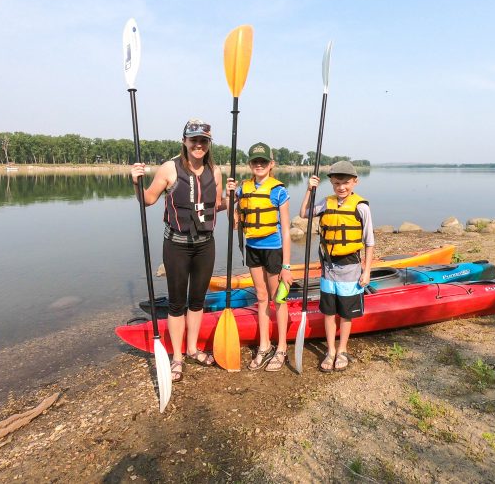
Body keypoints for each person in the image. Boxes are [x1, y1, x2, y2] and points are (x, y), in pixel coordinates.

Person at [131, 119, 228, 382]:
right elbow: (148, 200)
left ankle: (193, 349)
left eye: (204, 141)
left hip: (205, 246)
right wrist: (136, 183)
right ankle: (177, 357)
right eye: (194, 140)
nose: (199, 145)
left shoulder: (215, 172)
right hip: (176, 245)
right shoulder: (169, 168)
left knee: (197, 301)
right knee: (176, 303)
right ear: (184, 141)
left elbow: (217, 205)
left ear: (209, 144)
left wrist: (231, 198)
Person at [299, 160, 374, 373]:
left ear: (355, 182)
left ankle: (342, 350)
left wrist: (366, 271)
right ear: (331, 183)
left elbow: (369, 242)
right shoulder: (326, 202)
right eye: (336, 183)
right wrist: (309, 190)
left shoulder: (361, 207)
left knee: (346, 313)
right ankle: (330, 350)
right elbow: (304, 213)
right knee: (329, 312)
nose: (341, 187)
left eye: (346, 182)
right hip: (328, 268)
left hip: (350, 266)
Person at [225, 142, 294, 371]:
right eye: (255, 161)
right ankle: (264, 345)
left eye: (263, 161)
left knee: (278, 298)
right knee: (261, 296)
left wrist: (287, 265)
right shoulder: (243, 189)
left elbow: (286, 230)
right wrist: (229, 196)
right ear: (250, 164)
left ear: (271, 164)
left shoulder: (279, 190)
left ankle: (282, 347)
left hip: (273, 249)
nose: (259, 165)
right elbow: (233, 222)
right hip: (252, 248)